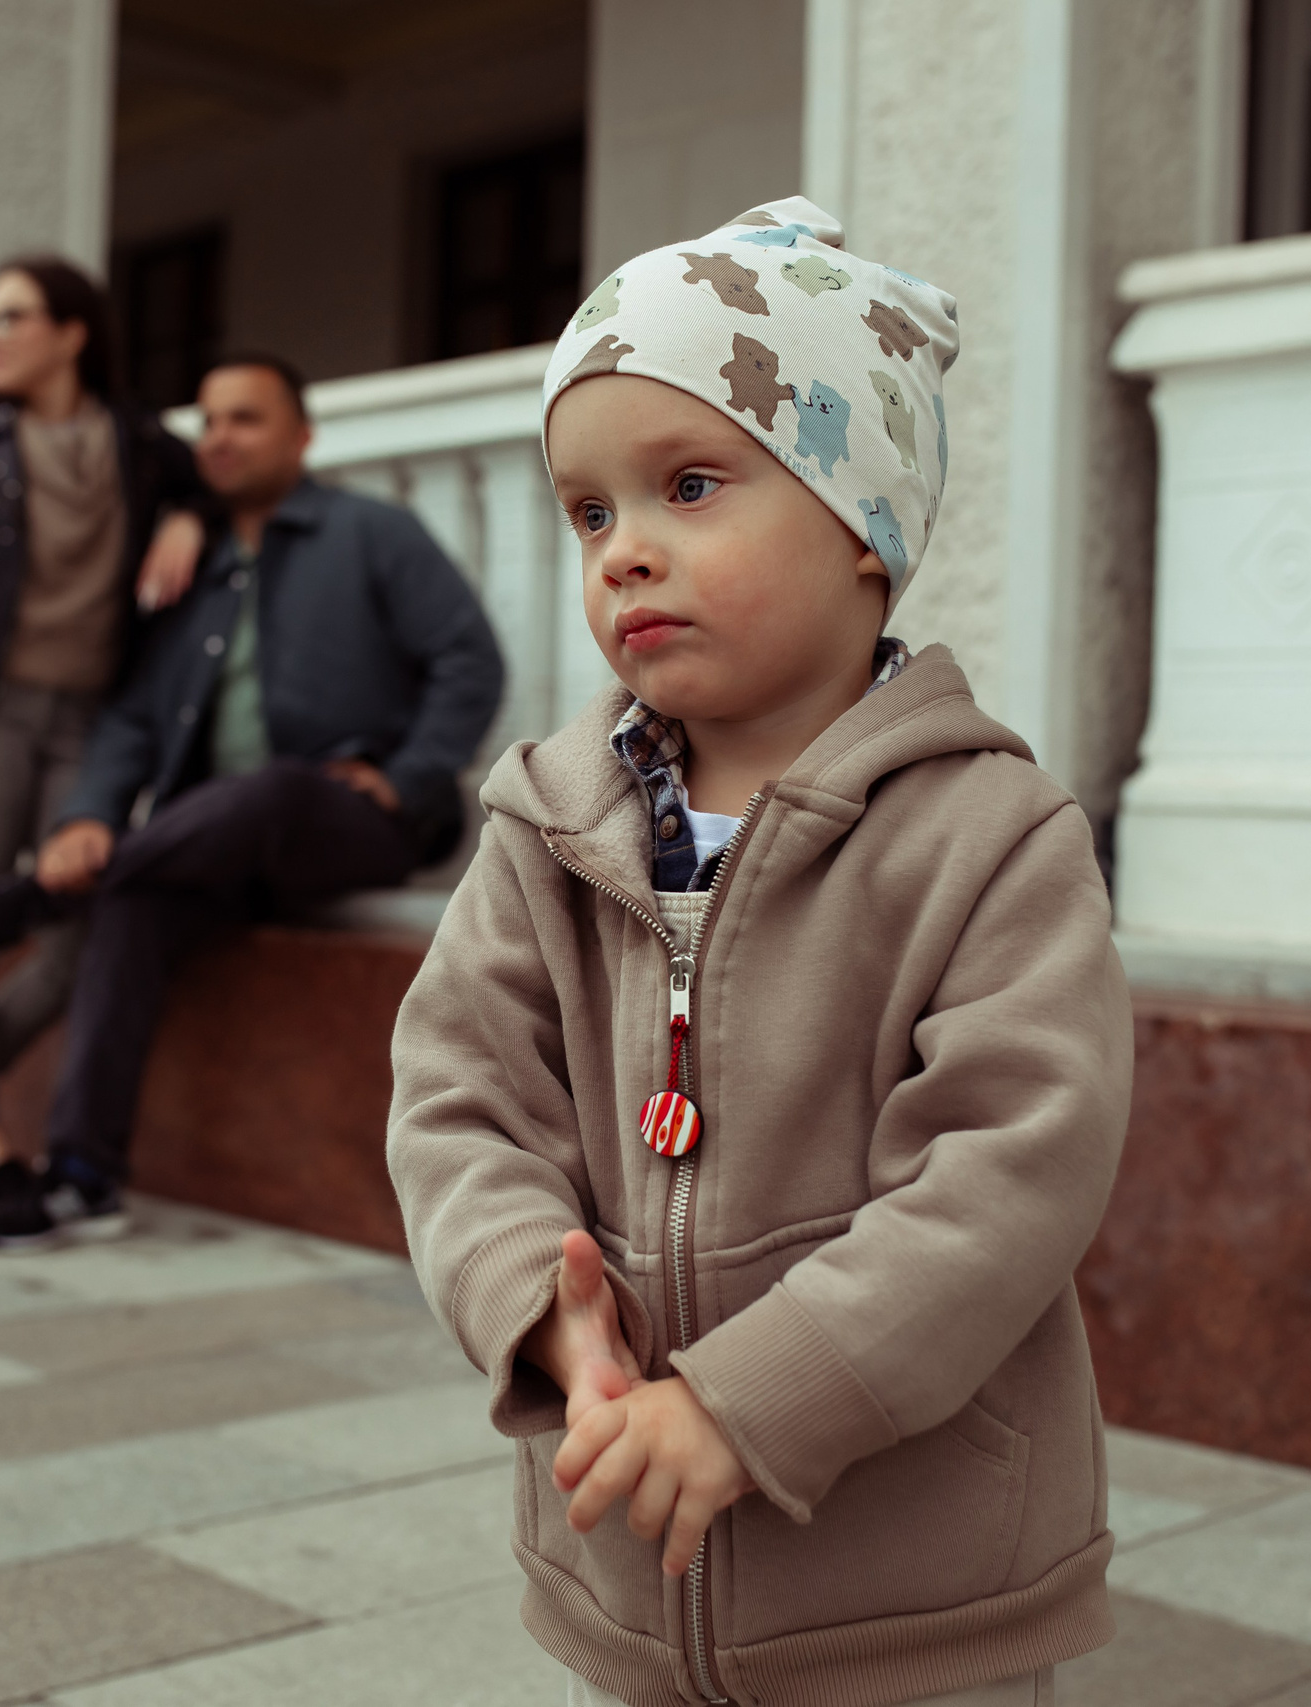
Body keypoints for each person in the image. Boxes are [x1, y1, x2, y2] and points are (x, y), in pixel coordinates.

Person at [386, 199, 1132, 1707]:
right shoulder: (549, 822)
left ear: (865, 528)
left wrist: (746, 1403)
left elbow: (1009, 1170)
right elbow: (458, 1094)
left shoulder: (986, 833)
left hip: (910, 1590)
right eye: (589, 513)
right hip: (632, 1564)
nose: (626, 554)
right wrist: (542, 1298)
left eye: (691, 483)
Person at [0, 352, 506, 1251]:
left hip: (345, 817)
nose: (220, 438)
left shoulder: (370, 530)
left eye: (246, 419)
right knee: (133, 904)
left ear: (301, 436)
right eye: (209, 421)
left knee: (273, 789)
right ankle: (81, 1176)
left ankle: (50, 895)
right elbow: (132, 718)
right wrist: (90, 815)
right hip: (207, 842)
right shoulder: (187, 568)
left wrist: (410, 774)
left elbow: (468, 660)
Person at [0, 254, 216, 1193]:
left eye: (13, 316)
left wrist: (187, 514)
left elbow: (213, 489)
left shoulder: (141, 446)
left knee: (75, 921)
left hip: (87, 715)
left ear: (72, 332)